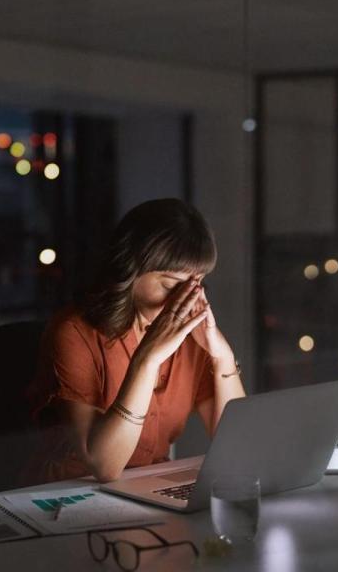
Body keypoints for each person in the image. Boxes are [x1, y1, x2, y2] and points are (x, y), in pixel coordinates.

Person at [23, 198, 245, 484]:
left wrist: (222, 355)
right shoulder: (73, 333)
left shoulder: (192, 341)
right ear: (131, 269)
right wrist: (148, 359)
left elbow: (237, 445)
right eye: (171, 284)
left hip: (145, 489)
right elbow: (104, 465)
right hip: (65, 496)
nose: (184, 298)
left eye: (196, 283)